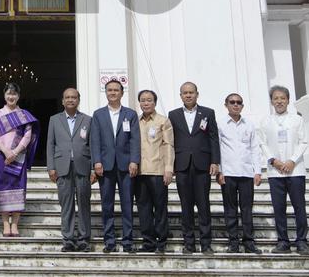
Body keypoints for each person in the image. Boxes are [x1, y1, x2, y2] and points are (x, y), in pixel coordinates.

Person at [168, 81, 220, 254]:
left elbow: (213, 138)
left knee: (204, 205)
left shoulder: (208, 113)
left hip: (202, 165)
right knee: (186, 205)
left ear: (197, 94)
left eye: (191, 92)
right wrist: (171, 164)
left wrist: (215, 161)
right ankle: (188, 243)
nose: (188, 95)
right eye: (185, 93)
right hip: (182, 165)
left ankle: (206, 244)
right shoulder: (173, 115)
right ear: (180, 95)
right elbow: (170, 141)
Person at [258, 85, 309, 255]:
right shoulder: (265, 121)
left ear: (288, 100)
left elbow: (304, 142)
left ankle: (301, 241)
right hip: (275, 172)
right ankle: (283, 241)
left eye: (282, 98)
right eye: (276, 98)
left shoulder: (297, 119)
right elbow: (262, 143)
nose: (279, 101)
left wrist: (292, 161)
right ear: (271, 101)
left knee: (299, 206)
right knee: (279, 207)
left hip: (295, 171)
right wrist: (274, 161)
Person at [90, 79, 140, 254]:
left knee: (127, 204)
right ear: (106, 92)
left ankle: (128, 242)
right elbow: (94, 140)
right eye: (109, 90)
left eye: (116, 90)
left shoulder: (130, 114)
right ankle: (109, 241)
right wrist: (96, 161)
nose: (112, 93)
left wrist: (135, 160)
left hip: (126, 166)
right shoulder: (98, 114)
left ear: (121, 93)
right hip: (105, 166)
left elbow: (135, 139)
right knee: (107, 205)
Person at [46, 87, 94, 252]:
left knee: (83, 204)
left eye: (74, 97)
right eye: (67, 97)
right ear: (62, 101)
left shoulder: (87, 120)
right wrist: (51, 167)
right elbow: (50, 145)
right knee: (66, 204)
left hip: (83, 166)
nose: (70, 100)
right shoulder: (54, 119)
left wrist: (94, 167)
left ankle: (83, 239)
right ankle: (68, 239)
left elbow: (93, 144)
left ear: (78, 100)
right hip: (62, 167)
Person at [216, 92, 264, 254]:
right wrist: (219, 170)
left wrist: (257, 171)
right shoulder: (220, 124)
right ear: (226, 105)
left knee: (246, 209)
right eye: (232, 102)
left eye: (239, 102)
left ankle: (249, 241)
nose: (235, 105)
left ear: (242, 106)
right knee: (230, 209)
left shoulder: (249, 125)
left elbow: (254, 148)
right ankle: (233, 242)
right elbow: (218, 149)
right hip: (228, 173)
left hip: (246, 173)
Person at [0, 82, 40, 237]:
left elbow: (27, 136)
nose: (11, 97)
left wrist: (15, 152)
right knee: (3, 188)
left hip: (20, 156)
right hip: (1, 155)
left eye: (14, 94)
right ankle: (6, 224)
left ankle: (15, 225)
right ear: (4, 95)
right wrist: (6, 152)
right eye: (8, 94)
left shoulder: (25, 115)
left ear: (18, 96)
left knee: (19, 188)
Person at [135, 89, 174, 254]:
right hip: (140, 172)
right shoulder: (135, 121)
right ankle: (148, 241)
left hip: (158, 170)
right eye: (143, 100)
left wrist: (169, 169)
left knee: (160, 207)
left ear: (155, 102)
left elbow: (168, 145)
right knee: (143, 208)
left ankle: (161, 240)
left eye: (149, 100)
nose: (146, 103)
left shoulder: (163, 121)